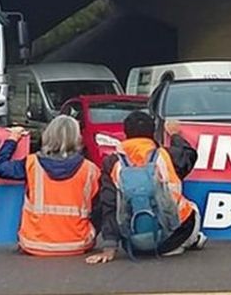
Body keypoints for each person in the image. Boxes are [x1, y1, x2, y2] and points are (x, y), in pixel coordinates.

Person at [86, 112, 205, 264]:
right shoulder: (167, 155)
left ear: (125, 133)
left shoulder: (112, 163)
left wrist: (109, 247)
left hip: (135, 245)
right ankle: (193, 239)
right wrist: (175, 135)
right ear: (153, 132)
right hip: (174, 238)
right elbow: (189, 155)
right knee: (191, 207)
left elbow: (109, 205)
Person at [0, 115, 101, 256]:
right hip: (77, 243)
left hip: (34, 243)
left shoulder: (31, 164)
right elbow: (100, 209)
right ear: (78, 138)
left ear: (47, 135)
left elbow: (0, 168)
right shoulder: (91, 169)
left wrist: (12, 139)